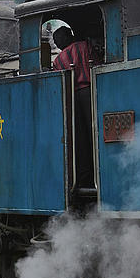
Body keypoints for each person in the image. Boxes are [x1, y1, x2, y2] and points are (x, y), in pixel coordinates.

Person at [52, 27, 96, 188]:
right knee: (95, 134)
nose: (57, 45)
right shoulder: (85, 46)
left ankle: (85, 178)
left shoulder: (58, 60)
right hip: (90, 91)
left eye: (57, 42)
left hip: (72, 98)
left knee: (79, 139)